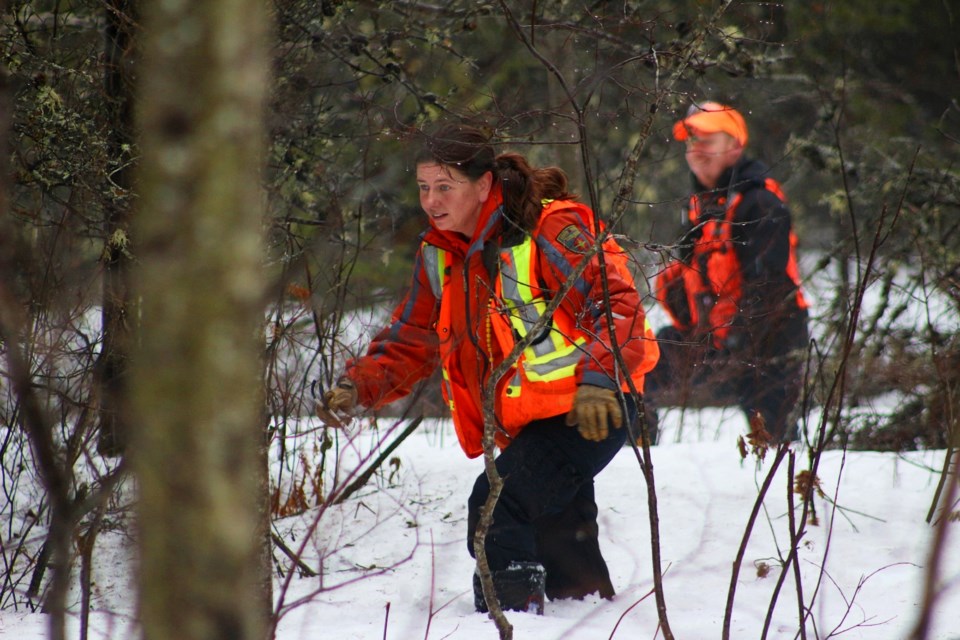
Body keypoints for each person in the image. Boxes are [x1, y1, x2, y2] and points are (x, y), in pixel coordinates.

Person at [319, 123, 659, 614]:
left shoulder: (550, 230)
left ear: (482, 186)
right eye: (423, 188)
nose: (431, 201)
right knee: (561, 536)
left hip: (593, 408)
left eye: (444, 186)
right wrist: (358, 387)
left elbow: (618, 306)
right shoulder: (441, 253)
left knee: (495, 508)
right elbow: (410, 339)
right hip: (534, 422)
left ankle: (510, 620)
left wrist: (599, 381)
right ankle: (582, 611)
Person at [645, 101, 810, 444]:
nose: (695, 150)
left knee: (776, 440)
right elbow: (691, 278)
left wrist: (737, 345)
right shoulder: (701, 207)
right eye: (691, 142)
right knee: (641, 362)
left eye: (706, 140)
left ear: (734, 146)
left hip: (770, 338)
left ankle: (788, 488)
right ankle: (643, 455)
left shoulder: (760, 204)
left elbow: (768, 287)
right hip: (718, 338)